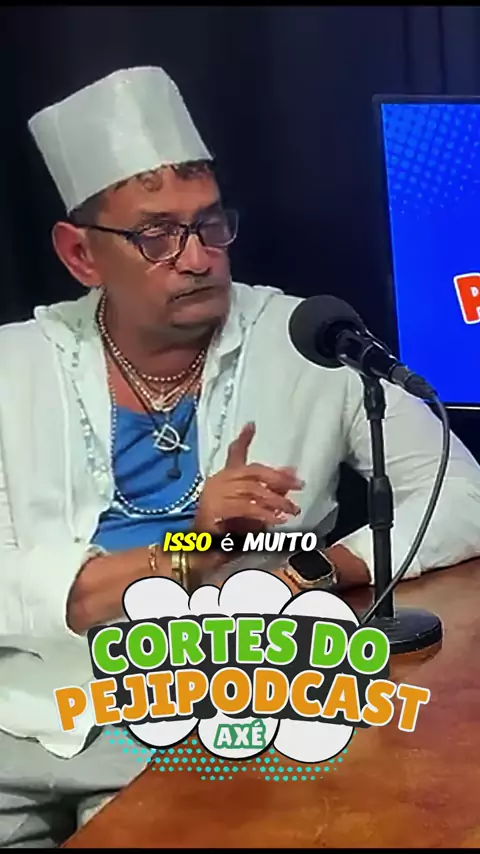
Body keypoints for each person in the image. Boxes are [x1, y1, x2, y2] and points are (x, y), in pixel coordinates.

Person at [1, 65, 480, 848]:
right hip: (19, 713)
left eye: (210, 225)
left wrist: (314, 569)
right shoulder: (12, 367)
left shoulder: (309, 342)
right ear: (81, 254)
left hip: (205, 718)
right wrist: (184, 557)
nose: (197, 258)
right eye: (157, 236)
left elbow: (460, 496)